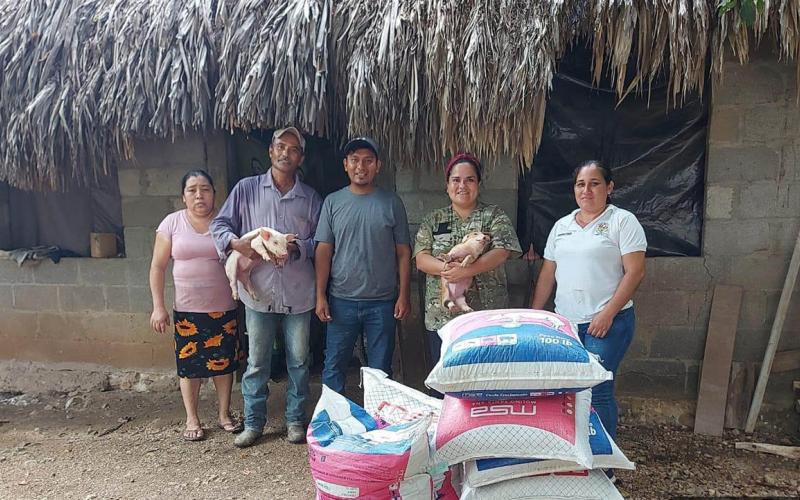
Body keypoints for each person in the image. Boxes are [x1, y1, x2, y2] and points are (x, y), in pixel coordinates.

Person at [531, 160, 646, 481]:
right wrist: (537, 315)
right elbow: (547, 274)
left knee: (599, 391)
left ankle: (602, 464)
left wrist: (607, 313)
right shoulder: (562, 225)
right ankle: (573, 453)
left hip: (608, 323)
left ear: (609, 188)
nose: (587, 190)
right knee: (566, 392)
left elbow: (635, 271)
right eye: (581, 184)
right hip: (566, 325)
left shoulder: (622, 222)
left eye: (595, 183)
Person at [210, 127, 322, 447]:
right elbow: (220, 225)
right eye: (280, 146)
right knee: (257, 361)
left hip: (297, 293)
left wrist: (297, 249)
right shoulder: (246, 190)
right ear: (271, 151)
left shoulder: (311, 198)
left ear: (301, 158)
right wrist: (236, 245)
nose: (286, 153)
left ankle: (295, 420)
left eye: (293, 149)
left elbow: (320, 241)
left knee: (299, 360)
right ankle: (254, 422)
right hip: (257, 293)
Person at [149, 169, 243, 442]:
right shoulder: (172, 223)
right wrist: (158, 306)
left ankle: (224, 414)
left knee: (223, 364)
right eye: (192, 190)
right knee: (189, 367)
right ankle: (192, 417)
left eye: (205, 189)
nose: (199, 195)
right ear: (183, 196)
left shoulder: (224, 224)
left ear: (214, 193)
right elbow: (157, 266)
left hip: (223, 307)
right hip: (187, 310)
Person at [314, 137, 411, 394]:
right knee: (334, 365)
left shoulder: (391, 203)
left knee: (380, 370)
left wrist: (403, 295)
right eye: (355, 160)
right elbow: (324, 251)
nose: (361, 166)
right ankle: (334, 420)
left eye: (368, 161)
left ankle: (378, 421)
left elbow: (403, 253)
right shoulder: (333, 203)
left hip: (382, 302)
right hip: (341, 300)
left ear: (378, 166)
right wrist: (320, 295)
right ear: (345, 165)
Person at [414, 153, 522, 370]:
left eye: (469, 180)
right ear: (447, 186)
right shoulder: (433, 220)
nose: (462, 185)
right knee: (445, 382)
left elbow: (502, 251)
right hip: (443, 319)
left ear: (478, 185)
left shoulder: (494, 215)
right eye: (456, 180)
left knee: (486, 379)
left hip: (487, 316)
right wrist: (447, 269)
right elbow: (421, 258)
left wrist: (467, 270)